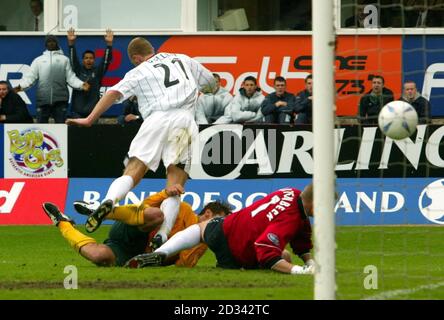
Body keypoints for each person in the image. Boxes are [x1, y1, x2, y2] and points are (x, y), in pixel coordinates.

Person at [66, 37, 216, 251]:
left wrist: (90, 119)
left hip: (155, 119)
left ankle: (108, 201)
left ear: (136, 58)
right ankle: (163, 235)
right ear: (151, 50)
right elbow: (212, 83)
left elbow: (113, 93)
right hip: (185, 120)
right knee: (175, 182)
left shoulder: (138, 71)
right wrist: (204, 90)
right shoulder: (182, 59)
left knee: (134, 170)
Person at [127, 184, 316, 275]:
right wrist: (301, 270)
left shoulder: (291, 192)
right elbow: (266, 251)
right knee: (282, 258)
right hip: (237, 249)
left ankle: (160, 251)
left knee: (202, 228)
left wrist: (310, 261)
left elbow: (301, 234)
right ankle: (161, 253)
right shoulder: (289, 218)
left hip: (227, 227)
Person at [42, 184, 231, 267]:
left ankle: (62, 222)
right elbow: (147, 205)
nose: (219, 226)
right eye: (218, 220)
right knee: (156, 215)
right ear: (207, 214)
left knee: (99, 256)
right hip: (136, 228)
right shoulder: (184, 209)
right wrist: (166, 192)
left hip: (135, 253)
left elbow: (182, 264)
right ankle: (103, 211)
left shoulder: (203, 242)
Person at [14, 35, 90, 123]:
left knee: (61, 128)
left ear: (57, 43)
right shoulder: (38, 60)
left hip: (60, 101)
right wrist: (20, 87)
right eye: (48, 42)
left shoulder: (64, 60)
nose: (51, 43)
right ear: (46, 44)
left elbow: (71, 78)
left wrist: (81, 85)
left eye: (53, 41)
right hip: (42, 100)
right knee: (41, 129)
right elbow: (30, 78)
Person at [67, 28, 114, 119]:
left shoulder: (97, 72)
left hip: (93, 113)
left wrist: (109, 45)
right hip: (77, 112)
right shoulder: (78, 70)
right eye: (86, 58)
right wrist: (71, 44)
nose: (89, 60)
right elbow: (73, 59)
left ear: (94, 60)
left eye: (91, 58)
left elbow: (106, 61)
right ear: (83, 60)